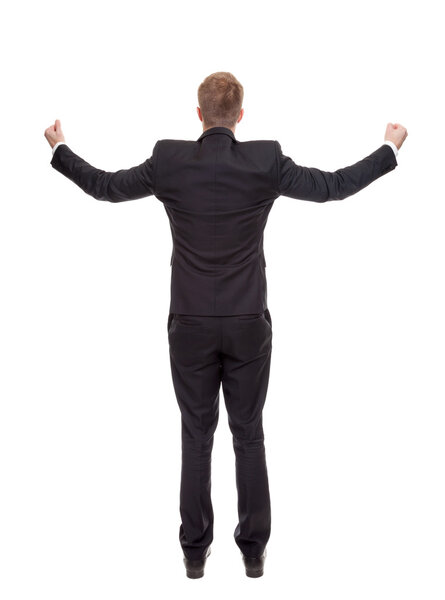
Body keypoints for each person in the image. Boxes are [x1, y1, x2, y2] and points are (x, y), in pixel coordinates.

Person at [44, 71, 408, 579]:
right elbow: (333, 187)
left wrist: (61, 149)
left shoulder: (169, 160)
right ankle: (253, 553)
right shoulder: (264, 160)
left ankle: (195, 553)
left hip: (189, 324)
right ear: (240, 116)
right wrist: (388, 149)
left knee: (196, 436)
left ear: (198, 116)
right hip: (246, 325)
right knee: (248, 434)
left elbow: (106, 187)